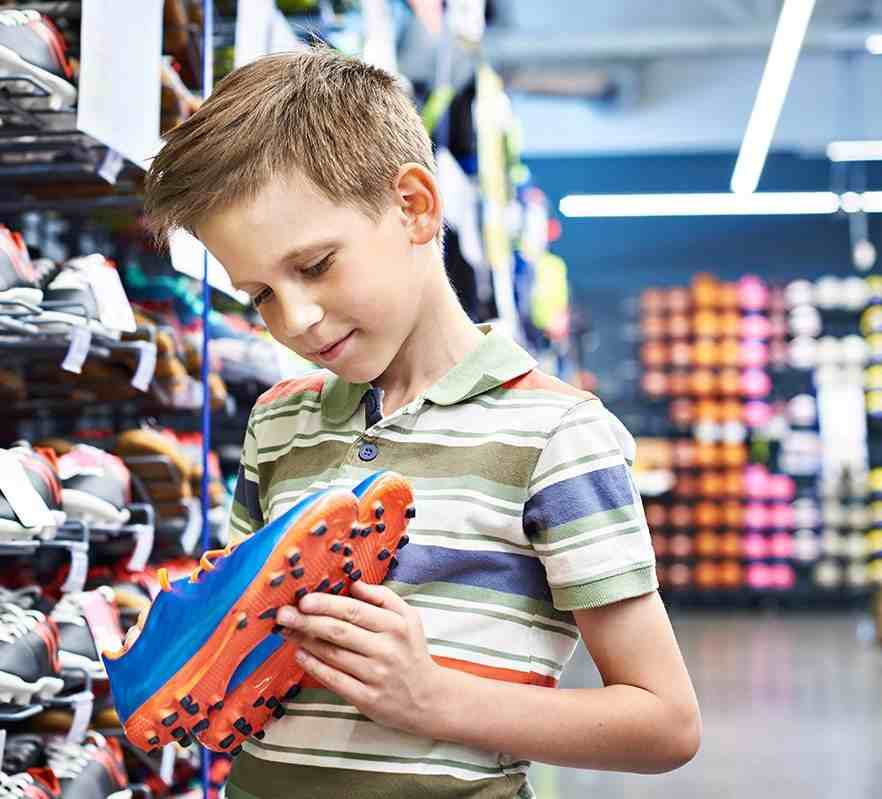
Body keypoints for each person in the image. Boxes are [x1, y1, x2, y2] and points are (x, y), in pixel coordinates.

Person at [142, 47, 700, 799]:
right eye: (261, 297)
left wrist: (435, 697)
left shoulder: (556, 436)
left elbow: (665, 722)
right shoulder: (278, 424)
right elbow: (253, 645)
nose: (296, 320)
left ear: (413, 206)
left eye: (314, 266)